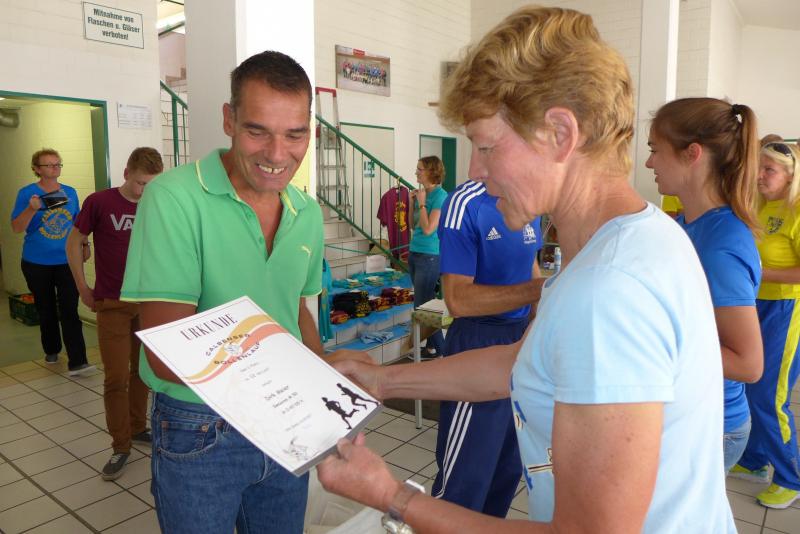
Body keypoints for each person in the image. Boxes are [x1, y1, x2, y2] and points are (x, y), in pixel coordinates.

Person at [317, 6, 735, 532]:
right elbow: (522, 365)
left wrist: (391, 496)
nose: (475, 171)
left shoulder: (608, 290)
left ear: (559, 133)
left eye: (486, 146)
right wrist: (383, 378)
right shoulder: (633, 239)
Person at [120, 51, 368, 533]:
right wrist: (286, 379)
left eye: (295, 134)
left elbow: (296, 311)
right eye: (258, 131)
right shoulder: (174, 198)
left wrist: (321, 390)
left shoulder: (306, 212)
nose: (277, 154)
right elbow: (168, 355)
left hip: (284, 420)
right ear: (229, 120)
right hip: (200, 425)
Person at [646, 98, 764, 474]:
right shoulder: (688, 224)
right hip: (688, 409)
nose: (648, 163)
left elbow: (748, 364)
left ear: (692, 154)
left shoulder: (720, 243)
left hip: (713, 424)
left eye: (655, 150)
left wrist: (653, 342)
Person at [431, 179, 542, 516]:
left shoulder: (532, 195)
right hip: (479, 339)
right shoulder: (466, 203)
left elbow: (530, 265)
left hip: (520, 340)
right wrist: (540, 290)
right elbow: (457, 300)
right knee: (464, 481)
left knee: (505, 471)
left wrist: (539, 322)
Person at [65, 147, 163, 481]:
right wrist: (82, 287)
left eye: (151, 184)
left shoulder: (157, 203)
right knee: (116, 377)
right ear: (126, 174)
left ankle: (137, 427)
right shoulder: (100, 202)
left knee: (142, 372)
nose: (144, 191)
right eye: (140, 183)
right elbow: (74, 242)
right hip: (112, 304)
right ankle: (120, 445)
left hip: (148, 302)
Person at [732, 141, 800, 509]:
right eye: (757, 167)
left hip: (786, 309)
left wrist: (761, 272)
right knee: (750, 384)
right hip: (755, 303)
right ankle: (755, 460)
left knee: (770, 397)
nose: (759, 175)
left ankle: (791, 477)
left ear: (790, 176)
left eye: (769, 170)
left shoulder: (797, 209)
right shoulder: (758, 203)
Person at [11, 148, 94, 376]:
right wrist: (31, 209)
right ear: (37, 169)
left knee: (69, 310)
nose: (55, 168)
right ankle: (52, 349)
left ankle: (78, 361)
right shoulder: (27, 194)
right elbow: (16, 227)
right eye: (49, 165)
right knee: (46, 309)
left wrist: (85, 245)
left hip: (67, 261)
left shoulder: (70, 192)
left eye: (58, 163)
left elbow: (78, 224)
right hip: (36, 262)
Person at [408, 156, 448, 357]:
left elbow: (429, 228)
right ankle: (432, 348)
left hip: (430, 256)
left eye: (420, 169)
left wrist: (422, 204)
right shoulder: (422, 194)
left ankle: (444, 352)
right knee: (425, 304)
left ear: (431, 172)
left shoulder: (441, 196)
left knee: (422, 308)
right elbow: (413, 225)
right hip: (415, 252)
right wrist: (412, 203)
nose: (416, 172)